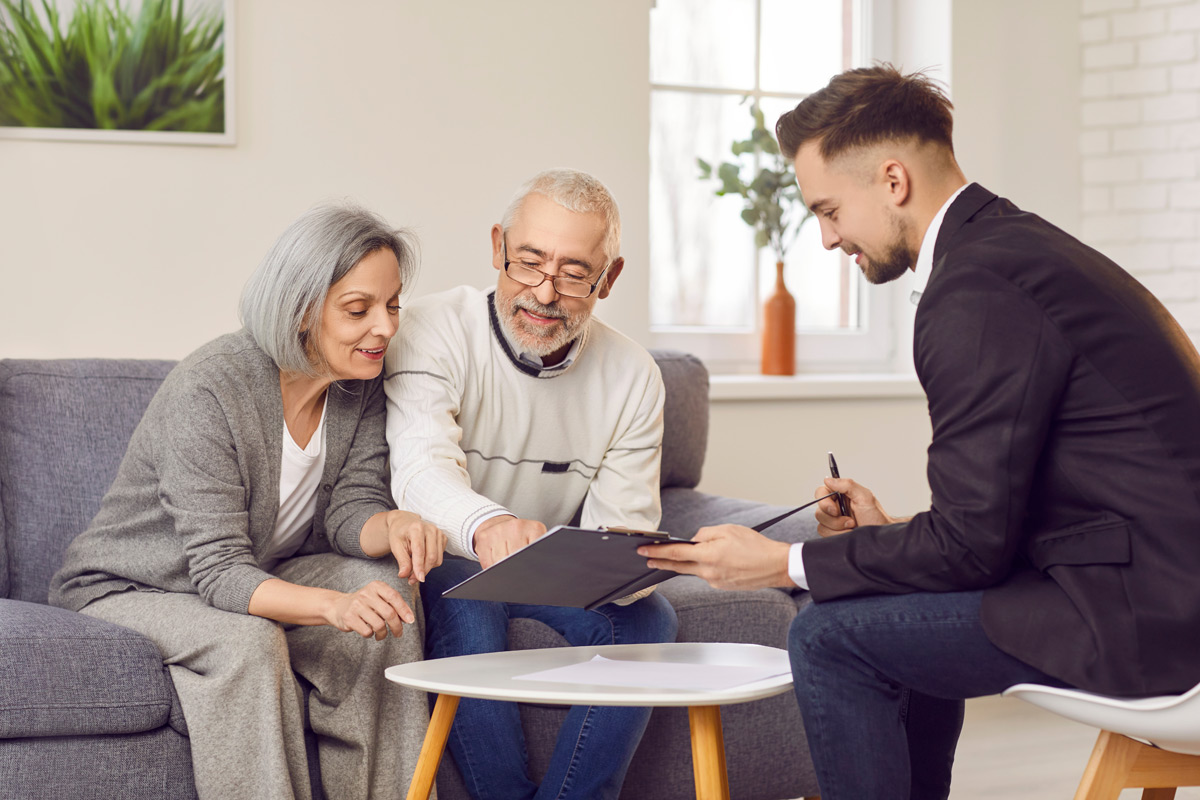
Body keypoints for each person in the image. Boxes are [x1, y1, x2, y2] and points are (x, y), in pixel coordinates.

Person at [639, 64, 1200, 800]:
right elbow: (996, 523)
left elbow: (969, 548)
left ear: (893, 180)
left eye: (830, 209)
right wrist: (892, 532)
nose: (829, 237)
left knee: (828, 638)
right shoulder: (1017, 251)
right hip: (1152, 584)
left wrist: (780, 563)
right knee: (881, 609)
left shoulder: (974, 289)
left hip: (1151, 617)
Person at [50, 203, 447, 800]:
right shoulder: (210, 388)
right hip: (136, 587)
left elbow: (348, 509)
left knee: (386, 602)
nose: (386, 328)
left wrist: (394, 523)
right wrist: (333, 607)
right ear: (300, 310)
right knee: (250, 644)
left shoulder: (358, 382)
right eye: (358, 309)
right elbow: (218, 572)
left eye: (391, 305)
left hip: (258, 571)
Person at [383, 168, 679, 800]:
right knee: (470, 599)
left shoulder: (633, 375)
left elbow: (617, 526)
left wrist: (633, 561)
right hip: (448, 559)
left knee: (650, 621)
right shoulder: (430, 327)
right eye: (529, 262)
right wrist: (489, 525)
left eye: (574, 273)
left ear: (609, 277)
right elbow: (418, 470)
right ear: (498, 247)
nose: (544, 292)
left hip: (554, 575)